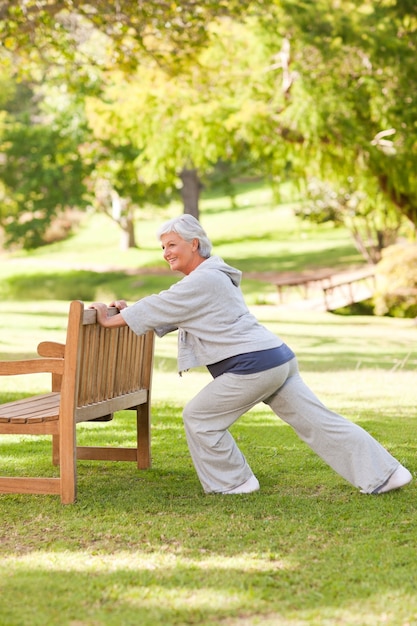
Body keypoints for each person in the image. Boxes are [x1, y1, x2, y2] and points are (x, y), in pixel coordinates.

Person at [90, 214, 412, 496]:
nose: (166, 253)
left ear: (195, 244)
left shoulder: (203, 279)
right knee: (320, 421)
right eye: (163, 248)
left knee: (199, 418)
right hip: (277, 359)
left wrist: (107, 319)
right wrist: (127, 311)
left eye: (172, 245)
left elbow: (161, 304)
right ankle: (386, 474)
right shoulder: (209, 278)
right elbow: (168, 310)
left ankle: (233, 484)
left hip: (254, 366)